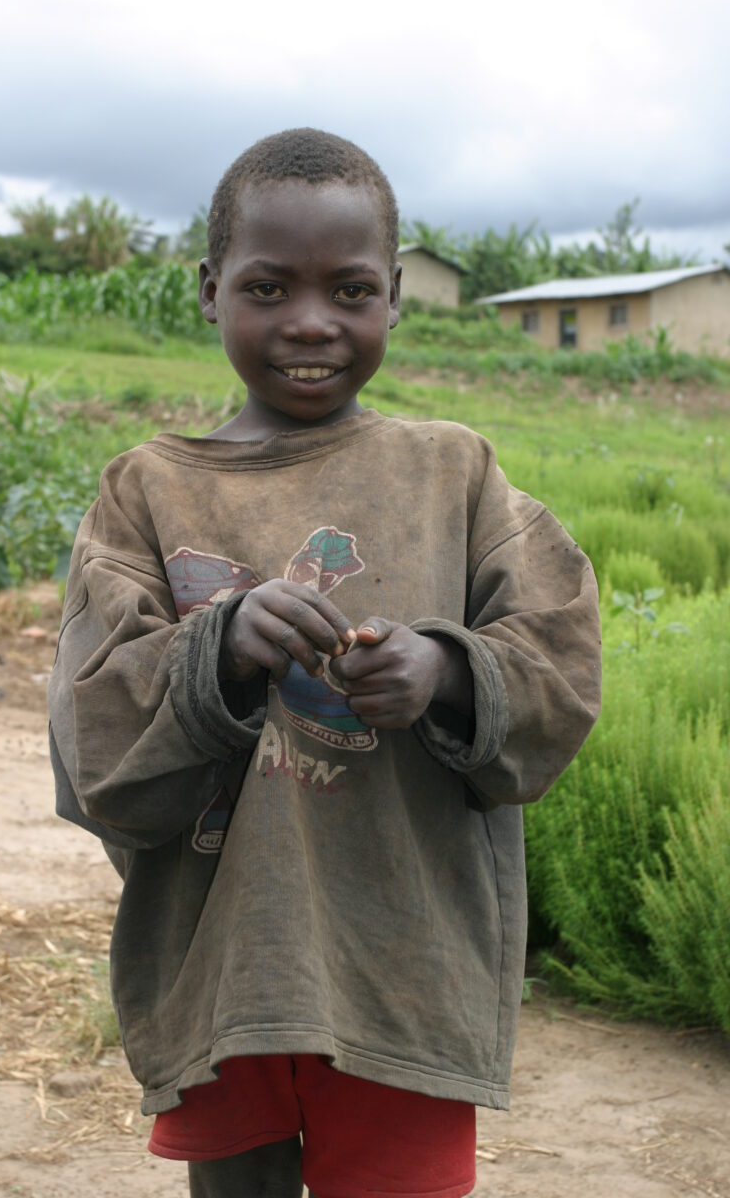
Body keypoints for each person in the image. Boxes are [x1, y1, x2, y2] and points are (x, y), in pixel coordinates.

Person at [48, 128, 601, 1198]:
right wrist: (218, 652)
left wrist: (444, 672)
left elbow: (558, 661)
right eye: (267, 286)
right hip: (218, 964)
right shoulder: (146, 493)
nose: (310, 322)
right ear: (210, 292)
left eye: (348, 290)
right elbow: (93, 737)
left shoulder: (454, 476)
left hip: (406, 964)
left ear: (394, 296)